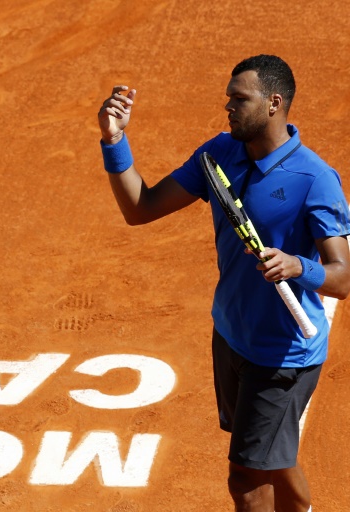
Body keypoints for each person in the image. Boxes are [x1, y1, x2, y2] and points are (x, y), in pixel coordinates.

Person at [97, 54, 350, 512]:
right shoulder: (219, 155)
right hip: (232, 336)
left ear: (274, 104)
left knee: (246, 479)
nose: (228, 107)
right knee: (271, 457)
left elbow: (343, 277)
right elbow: (141, 206)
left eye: (240, 98)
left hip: (283, 355)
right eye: (228, 98)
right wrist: (115, 141)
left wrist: (298, 266)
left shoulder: (315, 181)